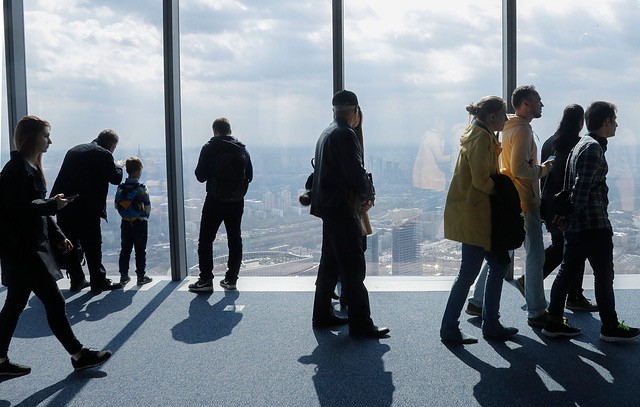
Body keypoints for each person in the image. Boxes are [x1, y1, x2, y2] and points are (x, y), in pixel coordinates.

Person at [0, 115, 112, 377]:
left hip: (23, 249)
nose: (50, 140)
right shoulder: (16, 170)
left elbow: (36, 210)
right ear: (32, 137)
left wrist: (59, 233)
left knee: (14, 306)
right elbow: (20, 209)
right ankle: (78, 355)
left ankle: (1, 360)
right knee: (54, 301)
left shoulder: (25, 166)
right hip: (24, 250)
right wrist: (53, 205)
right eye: (46, 135)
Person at [542, 101, 640, 341]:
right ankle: (610, 327)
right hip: (591, 224)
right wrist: (574, 217)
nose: (616, 124)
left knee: (567, 271)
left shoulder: (582, 144)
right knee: (604, 275)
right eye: (614, 120)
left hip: (579, 224)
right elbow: (582, 189)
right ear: (605, 122)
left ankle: (554, 320)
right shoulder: (593, 147)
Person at [310, 89, 389, 339]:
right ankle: (361, 324)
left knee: (330, 265)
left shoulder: (326, 132)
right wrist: (368, 196)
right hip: (343, 210)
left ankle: (322, 314)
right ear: (355, 112)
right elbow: (355, 173)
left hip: (329, 208)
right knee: (354, 268)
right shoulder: (346, 135)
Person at [440, 96, 518, 344]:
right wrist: (505, 191)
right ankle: (454, 328)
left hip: (475, 212)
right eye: (504, 114)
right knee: (471, 272)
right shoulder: (481, 139)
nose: (506, 119)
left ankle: (487, 324)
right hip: (476, 214)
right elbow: (482, 181)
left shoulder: (476, 134)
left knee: (493, 265)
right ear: (492, 116)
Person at [499, 85, 554, 328]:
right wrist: (544, 169)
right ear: (525, 104)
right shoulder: (522, 131)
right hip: (525, 199)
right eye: (537, 101)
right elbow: (520, 168)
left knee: (501, 254)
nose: (541, 105)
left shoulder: (509, 128)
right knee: (536, 255)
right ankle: (537, 310)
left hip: (514, 198)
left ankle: (477, 302)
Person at [539, 104, 597, 312]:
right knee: (575, 249)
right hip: (565, 205)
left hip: (548, 203)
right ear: (581, 121)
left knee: (560, 247)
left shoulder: (549, 142)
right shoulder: (579, 144)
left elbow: (543, 175)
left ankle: (532, 280)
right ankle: (574, 296)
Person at [50, 129, 124, 293]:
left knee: (70, 245)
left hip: (63, 204)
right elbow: (115, 178)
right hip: (86, 208)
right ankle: (98, 281)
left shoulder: (75, 149)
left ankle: (77, 280)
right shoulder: (103, 154)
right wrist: (118, 166)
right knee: (92, 245)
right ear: (111, 145)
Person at [189, 117, 253, 293]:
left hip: (215, 200)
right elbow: (250, 175)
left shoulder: (210, 147)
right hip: (237, 201)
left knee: (206, 240)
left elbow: (200, 176)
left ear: (215, 131)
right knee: (235, 239)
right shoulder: (242, 148)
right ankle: (231, 279)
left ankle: (206, 280)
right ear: (230, 131)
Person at [114, 156, 153, 286]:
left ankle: (124, 276)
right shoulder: (142, 188)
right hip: (139, 223)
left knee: (125, 249)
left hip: (125, 222)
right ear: (138, 171)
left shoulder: (121, 187)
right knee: (140, 250)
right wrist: (145, 216)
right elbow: (147, 205)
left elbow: (116, 204)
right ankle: (141, 277)